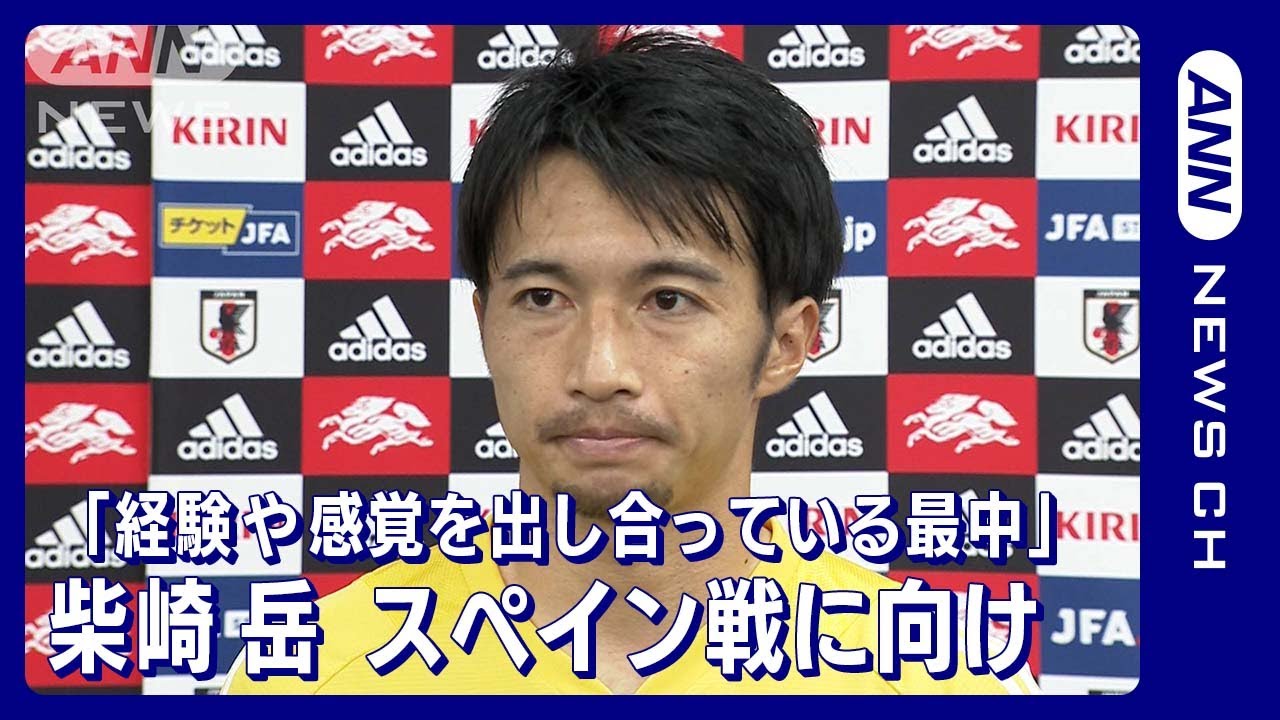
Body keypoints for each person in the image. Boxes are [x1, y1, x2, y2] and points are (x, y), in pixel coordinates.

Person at [223, 27, 1038, 695]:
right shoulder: (312, 675)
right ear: (484, 325)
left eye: (669, 300)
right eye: (543, 298)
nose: (600, 368)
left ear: (786, 344)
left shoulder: (932, 683)